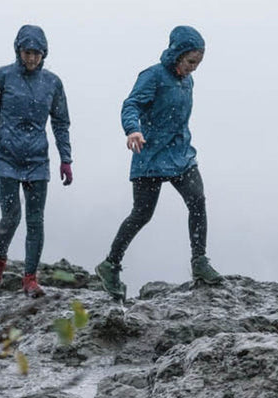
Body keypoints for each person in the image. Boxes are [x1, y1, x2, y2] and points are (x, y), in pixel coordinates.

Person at [95, 26, 222, 301]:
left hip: (180, 154)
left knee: (197, 200)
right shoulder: (152, 76)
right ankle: (110, 265)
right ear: (177, 54)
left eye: (198, 63)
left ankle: (199, 261)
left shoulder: (188, 81)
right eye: (190, 62)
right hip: (150, 154)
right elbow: (131, 105)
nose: (193, 68)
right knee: (142, 214)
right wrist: (132, 129)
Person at [0, 24, 73, 298]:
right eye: (28, 52)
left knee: (36, 220)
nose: (32, 58)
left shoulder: (52, 83)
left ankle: (30, 279)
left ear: (44, 54)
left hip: (38, 160)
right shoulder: (2, 76)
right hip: (6, 156)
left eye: (37, 53)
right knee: (12, 215)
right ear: (18, 50)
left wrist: (66, 159)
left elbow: (61, 122)